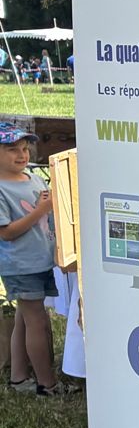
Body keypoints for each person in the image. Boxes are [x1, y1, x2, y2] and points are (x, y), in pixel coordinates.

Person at [0, 123, 58, 396]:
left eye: (24, 148)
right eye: (12, 150)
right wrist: (41, 210)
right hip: (22, 264)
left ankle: (19, 377)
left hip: (41, 259)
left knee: (25, 317)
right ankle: (47, 384)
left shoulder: (33, 178)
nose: (22, 155)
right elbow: (8, 233)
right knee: (37, 320)